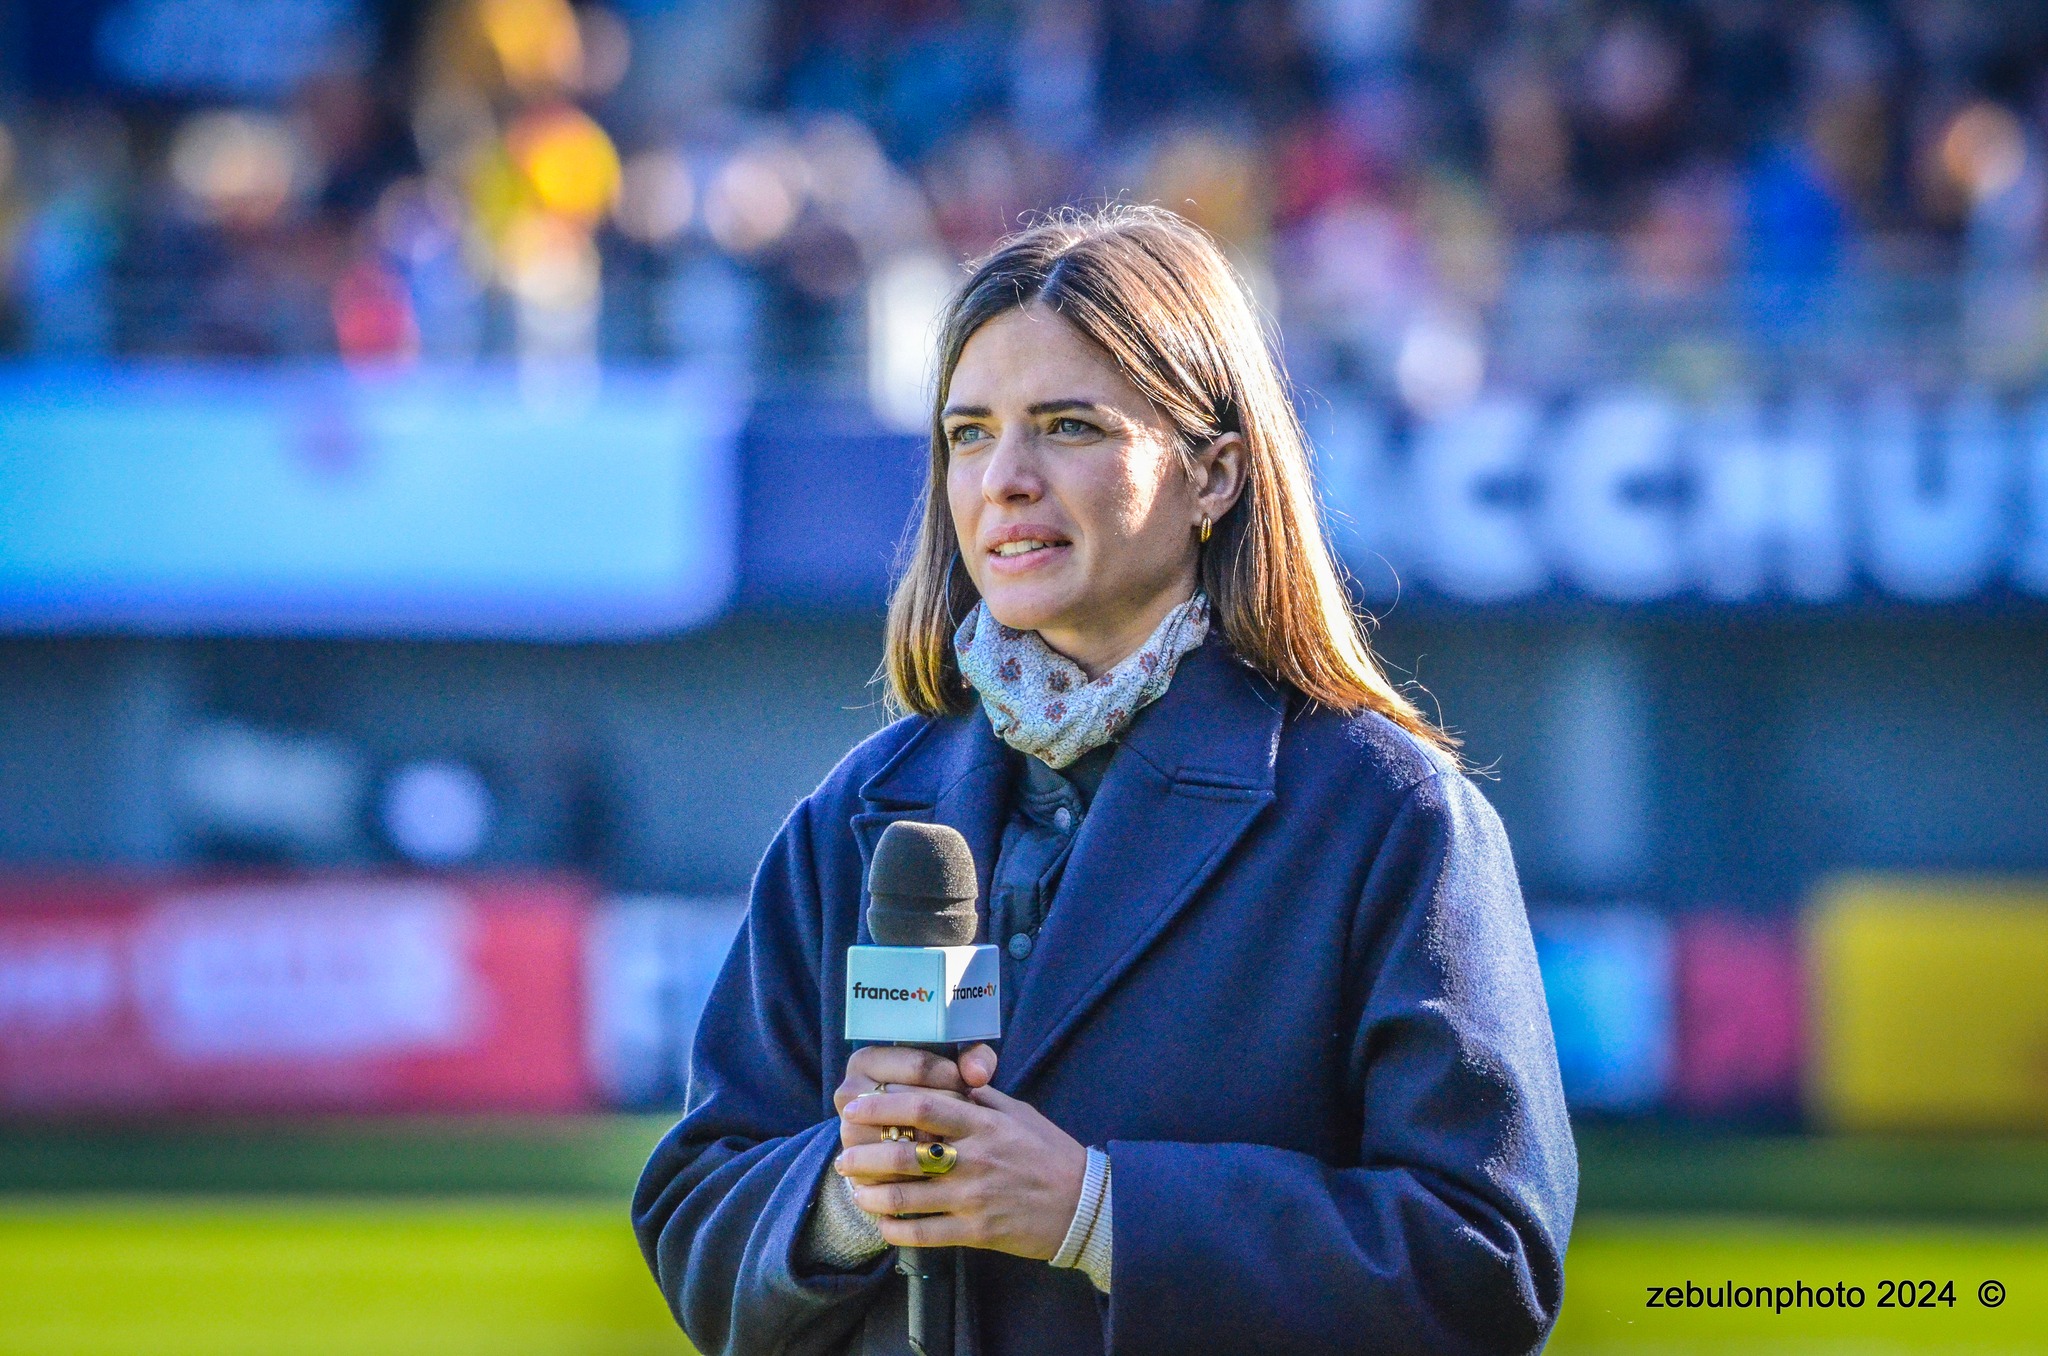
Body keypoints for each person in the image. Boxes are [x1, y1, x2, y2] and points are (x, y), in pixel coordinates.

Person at [633, 205, 1576, 1356]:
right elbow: (694, 1213)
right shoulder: (857, 811)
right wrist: (845, 1197)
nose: (1004, 480)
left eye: (1067, 426)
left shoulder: (1387, 816)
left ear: (1213, 473)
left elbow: (1483, 1269)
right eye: (968, 434)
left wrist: (1093, 1212)